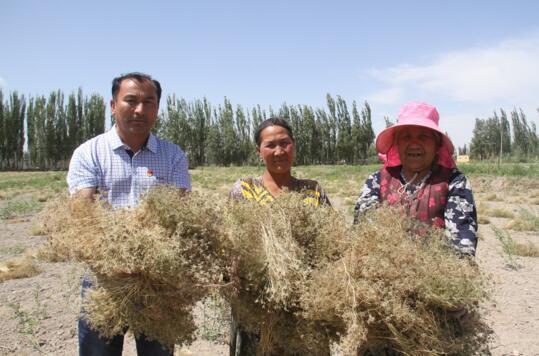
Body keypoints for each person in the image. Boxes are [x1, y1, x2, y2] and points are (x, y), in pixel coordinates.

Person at [67, 72, 191, 356]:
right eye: (131, 101)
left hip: (158, 280)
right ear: (113, 105)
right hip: (105, 279)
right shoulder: (90, 153)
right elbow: (84, 215)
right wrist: (118, 256)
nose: (140, 110)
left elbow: (182, 213)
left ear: (157, 109)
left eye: (149, 102)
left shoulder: (173, 156)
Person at [228, 117, 330, 355]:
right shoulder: (244, 189)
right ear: (258, 151)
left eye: (285, 143)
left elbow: (330, 240)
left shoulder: (312, 190)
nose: (279, 151)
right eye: (270, 145)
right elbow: (230, 242)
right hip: (258, 303)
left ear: (294, 145)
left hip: (305, 302)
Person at [353, 101, 477, 256]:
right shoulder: (376, 181)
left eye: (424, 136)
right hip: (382, 270)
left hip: (434, 274)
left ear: (437, 144)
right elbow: (363, 233)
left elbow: (462, 245)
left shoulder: (454, 183)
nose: (414, 143)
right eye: (406, 136)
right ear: (396, 144)